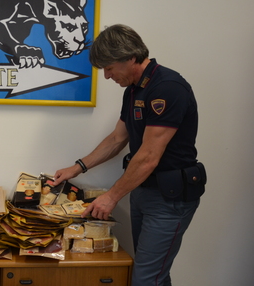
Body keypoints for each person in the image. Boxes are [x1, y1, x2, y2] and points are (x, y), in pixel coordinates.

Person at [52, 24, 205, 286]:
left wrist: (111, 197)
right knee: (153, 274)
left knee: (146, 278)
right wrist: (77, 167)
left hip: (170, 198)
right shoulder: (134, 90)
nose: (108, 76)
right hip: (143, 190)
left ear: (131, 57)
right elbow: (117, 139)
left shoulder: (168, 88)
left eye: (109, 68)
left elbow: (148, 156)